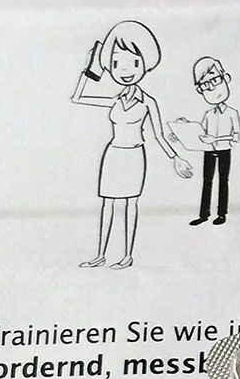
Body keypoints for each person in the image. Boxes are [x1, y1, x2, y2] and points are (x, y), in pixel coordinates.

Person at [71, 20, 191, 268]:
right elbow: (78, 97)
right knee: (107, 203)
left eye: (134, 62)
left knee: (130, 204)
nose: (125, 70)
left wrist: (175, 158)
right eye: (116, 63)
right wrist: (90, 70)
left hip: (135, 155)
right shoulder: (114, 100)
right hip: (113, 154)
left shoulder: (148, 102)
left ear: (145, 63)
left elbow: (158, 134)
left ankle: (127, 255)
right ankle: (100, 254)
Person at [176, 56, 240, 226]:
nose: (211, 87)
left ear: (225, 78)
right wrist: (184, 129)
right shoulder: (208, 114)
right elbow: (201, 133)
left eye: (215, 80)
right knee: (207, 182)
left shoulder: (232, 113)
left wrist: (217, 139)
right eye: (205, 85)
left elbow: (236, 136)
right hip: (209, 151)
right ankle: (204, 214)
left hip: (224, 150)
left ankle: (221, 214)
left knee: (223, 181)